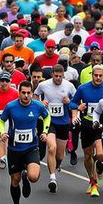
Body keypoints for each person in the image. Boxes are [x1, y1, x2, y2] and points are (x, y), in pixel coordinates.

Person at [0, 81, 49, 204]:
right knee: (15, 180)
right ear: (19, 93)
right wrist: (2, 133)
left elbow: (47, 117)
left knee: (34, 177)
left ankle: (26, 176)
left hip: (31, 147)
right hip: (14, 149)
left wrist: (45, 131)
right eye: (23, 93)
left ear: (32, 93)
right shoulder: (11, 106)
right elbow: (1, 121)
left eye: (28, 93)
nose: (26, 96)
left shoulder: (37, 106)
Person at [37, 63, 76, 193]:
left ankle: (57, 164)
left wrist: (69, 102)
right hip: (49, 121)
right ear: (52, 74)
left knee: (60, 155)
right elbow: (35, 96)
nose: (58, 78)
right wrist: (40, 102)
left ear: (63, 76)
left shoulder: (69, 86)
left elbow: (76, 101)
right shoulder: (44, 85)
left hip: (63, 122)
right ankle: (52, 177)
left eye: (60, 76)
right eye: (56, 76)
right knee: (51, 147)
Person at [73, 65, 103, 198]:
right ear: (92, 75)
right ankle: (92, 181)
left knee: (100, 154)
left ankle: (99, 162)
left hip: (101, 126)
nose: (98, 78)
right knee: (88, 155)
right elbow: (72, 103)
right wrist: (78, 106)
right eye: (96, 75)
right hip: (86, 125)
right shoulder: (83, 88)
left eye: (101, 76)